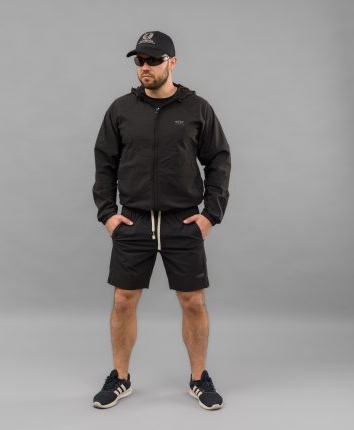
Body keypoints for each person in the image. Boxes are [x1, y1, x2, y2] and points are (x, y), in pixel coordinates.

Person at [92, 30, 231, 410]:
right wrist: (108, 214)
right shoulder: (121, 109)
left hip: (182, 221)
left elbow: (218, 159)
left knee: (193, 302)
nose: (145, 67)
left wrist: (211, 215)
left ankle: (199, 378)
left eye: (153, 60)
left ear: (172, 62)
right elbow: (104, 163)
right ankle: (120, 378)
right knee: (123, 300)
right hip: (133, 220)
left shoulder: (197, 108)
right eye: (140, 61)